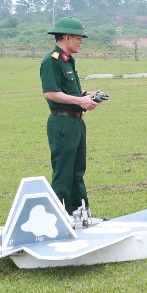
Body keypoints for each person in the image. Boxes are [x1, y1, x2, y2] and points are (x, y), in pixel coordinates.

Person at [40, 17, 103, 214]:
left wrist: (86, 96)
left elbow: (68, 91)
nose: (81, 42)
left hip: (76, 122)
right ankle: (57, 217)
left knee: (77, 172)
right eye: (78, 38)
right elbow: (50, 93)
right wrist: (79, 101)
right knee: (63, 175)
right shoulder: (51, 61)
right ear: (67, 37)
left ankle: (80, 214)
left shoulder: (68, 61)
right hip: (62, 123)